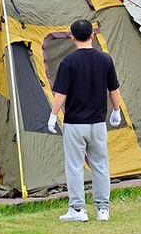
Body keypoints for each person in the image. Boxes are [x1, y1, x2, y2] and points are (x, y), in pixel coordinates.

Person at [48, 19, 123, 222]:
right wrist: (116, 111)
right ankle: (103, 209)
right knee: (100, 165)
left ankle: (78, 210)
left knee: (74, 166)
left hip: (74, 124)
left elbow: (61, 93)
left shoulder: (68, 62)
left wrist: (53, 115)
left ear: (72, 37)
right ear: (92, 35)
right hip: (98, 123)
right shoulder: (105, 60)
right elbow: (114, 90)